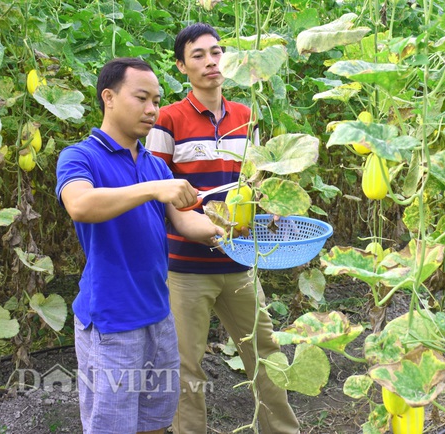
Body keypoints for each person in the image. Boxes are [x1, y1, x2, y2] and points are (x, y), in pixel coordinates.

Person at [145, 24, 301, 434]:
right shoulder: (167, 120)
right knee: (185, 364)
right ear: (182, 65)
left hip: (240, 261)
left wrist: (271, 206)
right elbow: (158, 191)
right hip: (185, 267)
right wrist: (201, 227)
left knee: (264, 350)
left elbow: (256, 182)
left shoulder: (247, 117)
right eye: (198, 55)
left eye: (217, 52)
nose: (211, 62)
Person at [55, 57, 223, 434]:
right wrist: (152, 188)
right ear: (109, 97)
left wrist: (231, 228)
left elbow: (184, 222)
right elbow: (80, 205)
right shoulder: (80, 156)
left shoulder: (154, 165)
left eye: (157, 101)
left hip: (159, 316)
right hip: (112, 323)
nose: (152, 110)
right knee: (112, 426)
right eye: (142, 98)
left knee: (155, 422)